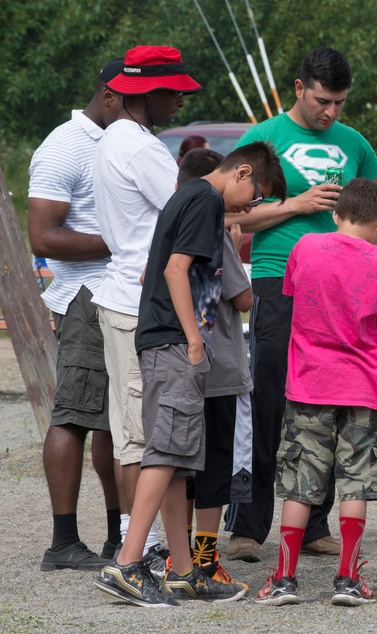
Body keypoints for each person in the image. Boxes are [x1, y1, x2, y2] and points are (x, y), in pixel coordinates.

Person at [226, 47, 377, 562]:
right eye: (323, 101)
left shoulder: (353, 142)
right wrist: (298, 206)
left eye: (341, 103)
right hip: (278, 279)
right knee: (269, 400)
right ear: (299, 88)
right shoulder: (265, 139)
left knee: (331, 401)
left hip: (339, 292)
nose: (331, 113)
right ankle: (249, 524)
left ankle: (314, 524)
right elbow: (232, 214)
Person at [94, 141, 287, 607]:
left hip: (163, 340)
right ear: (242, 173)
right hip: (173, 343)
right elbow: (176, 271)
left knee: (179, 459)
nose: (251, 207)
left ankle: (185, 572)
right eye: (256, 195)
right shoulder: (205, 199)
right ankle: (127, 563)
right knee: (164, 451)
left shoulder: (190, 196)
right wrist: (194, 340)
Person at [255, 178, 377, 607]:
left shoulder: (304, 247)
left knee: (301, 482)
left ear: (336, 214)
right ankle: (348, 579)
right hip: (364, 387)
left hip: (309, 383)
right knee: (356, 483)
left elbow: (292, 294)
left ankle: (284, 578)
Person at [92, 44, 202, 575]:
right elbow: (190, 208)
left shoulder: (115, 136)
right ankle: (143, 554)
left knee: (133, 435)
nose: (179, 104)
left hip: (120, 298)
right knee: (151, 441)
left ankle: (140, 546)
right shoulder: (142, 150)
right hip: (143, 307)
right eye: (175, 94)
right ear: (151, 94)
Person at [29, 57, 124, 572]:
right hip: (84, 296)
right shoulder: (65, 145)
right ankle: (63, 543)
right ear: (109, 95)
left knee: (113, 423)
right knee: (73, 416)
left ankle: (118, 535)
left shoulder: (114, 141)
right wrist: (123, 240)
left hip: (114, 294)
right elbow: (43, 237)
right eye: (133, 102)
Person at [166, 147, 252, 589]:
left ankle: (176, 556)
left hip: (182, 365)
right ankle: (205, 559)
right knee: (215, 466)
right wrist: (236, 248)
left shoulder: (172, 224)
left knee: (179, 465)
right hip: (218, 372)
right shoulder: (215, 231)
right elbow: (242, 299)